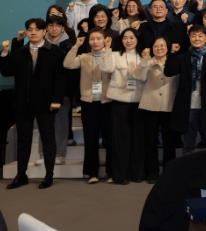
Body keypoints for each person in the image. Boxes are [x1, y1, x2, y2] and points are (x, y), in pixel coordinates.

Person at [2, 19, 66, 190]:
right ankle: (21, 174)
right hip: (22, 103)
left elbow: (60, 79)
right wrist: (5, 52)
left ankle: (49, 174)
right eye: (29, 29)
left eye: (37, 29)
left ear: (44, 31)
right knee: (23, 140)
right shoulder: (20, 52)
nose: (33, 32)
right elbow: (7, 71)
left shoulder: (55, 51)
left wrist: (57, 100)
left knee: (48, 139)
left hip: (46, 102)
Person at [164, 25, 206, 156]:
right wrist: (172, 53)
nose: (197, 38)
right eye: (194, 35)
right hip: (188, 105)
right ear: (189, 38)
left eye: (200, 36)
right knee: (188, 143)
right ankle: (188, 168)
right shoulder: (182, 57)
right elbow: (169, 72)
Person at [64, 28, 113, 184]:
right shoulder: (84, 57)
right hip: (89, 102)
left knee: (110, 139)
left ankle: (111, 172)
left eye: (98, 38)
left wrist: (107, 49)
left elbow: (109, 68)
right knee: (90, 138)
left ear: (105, 39)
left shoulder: (112, 55)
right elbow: (67, 64)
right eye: (92, 39)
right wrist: (75, 46)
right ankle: (92, 172)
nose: (95, 41)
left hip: (107, 102)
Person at [99, 28, 146, 185]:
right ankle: (121, 175)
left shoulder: (144, 55)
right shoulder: (114, 55)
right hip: (119, 100)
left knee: (138, 140)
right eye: (125, 37)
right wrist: (106, 49)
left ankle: (138, 173)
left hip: (140, 101)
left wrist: (146, 59)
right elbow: (105, 68)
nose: (128, 40)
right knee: (120, 140)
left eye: (132, 37)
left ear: (137, 39)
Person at [135, 37, 179, 184]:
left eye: (162, 45)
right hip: (150, 106)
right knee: (150, 141)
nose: (159, 48)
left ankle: (169, 172)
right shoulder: (147, 62)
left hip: (169, 105)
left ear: (168, 47)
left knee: (169, 142)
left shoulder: (173, 61)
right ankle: (153, 172)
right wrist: (145, 59)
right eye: (156, 46)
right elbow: (138, 76)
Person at [34, 15, 75, 168]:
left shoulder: (68, 46)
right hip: (43, 93)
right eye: (51, 25)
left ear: (63, 28)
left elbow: (71, 74)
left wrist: (67, 94)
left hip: (62, 93)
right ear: (46, 28)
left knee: (61, 124)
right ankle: (43, 154)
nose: (54, 29)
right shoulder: (39, 44)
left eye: (58, 26)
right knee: (43, 124)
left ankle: (59, 154)